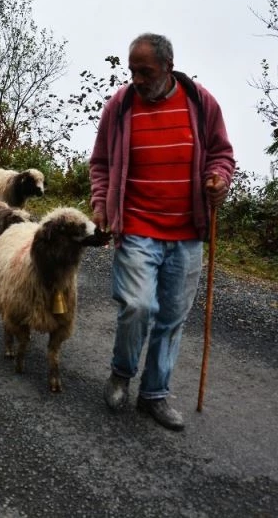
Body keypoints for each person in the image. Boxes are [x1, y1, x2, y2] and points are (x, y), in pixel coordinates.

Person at [89, 33, 236, 431]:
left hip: (187, 232)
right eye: (132, 70)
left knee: (172, 316)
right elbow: (101, 163)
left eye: (145, 71)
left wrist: (218, 179)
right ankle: (121, 373)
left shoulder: (199, 103)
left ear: (168, 67)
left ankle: (154, 394)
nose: (135, 78)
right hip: (137, 226)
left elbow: (222, 154)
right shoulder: (120, 107)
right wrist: (102, 204)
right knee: (137, 306)